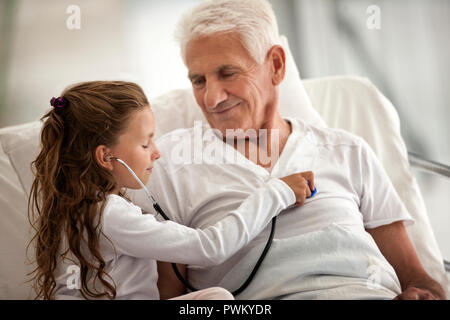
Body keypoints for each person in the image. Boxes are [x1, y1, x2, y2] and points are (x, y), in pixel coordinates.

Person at [129, 0, 446, 300]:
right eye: (198, 81)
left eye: (227, 73)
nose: (211, 99)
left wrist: (422, 291)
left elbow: (420, 281)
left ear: (276, 65)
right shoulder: (169, 162)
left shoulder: (347, 151)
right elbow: (170, 296)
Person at [27, 80, 314, 300]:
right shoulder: (109, 214)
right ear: (105, 157)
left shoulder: (81, 209)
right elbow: (211, 247)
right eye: (145, 143)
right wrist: (277, 192)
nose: (157, 153)